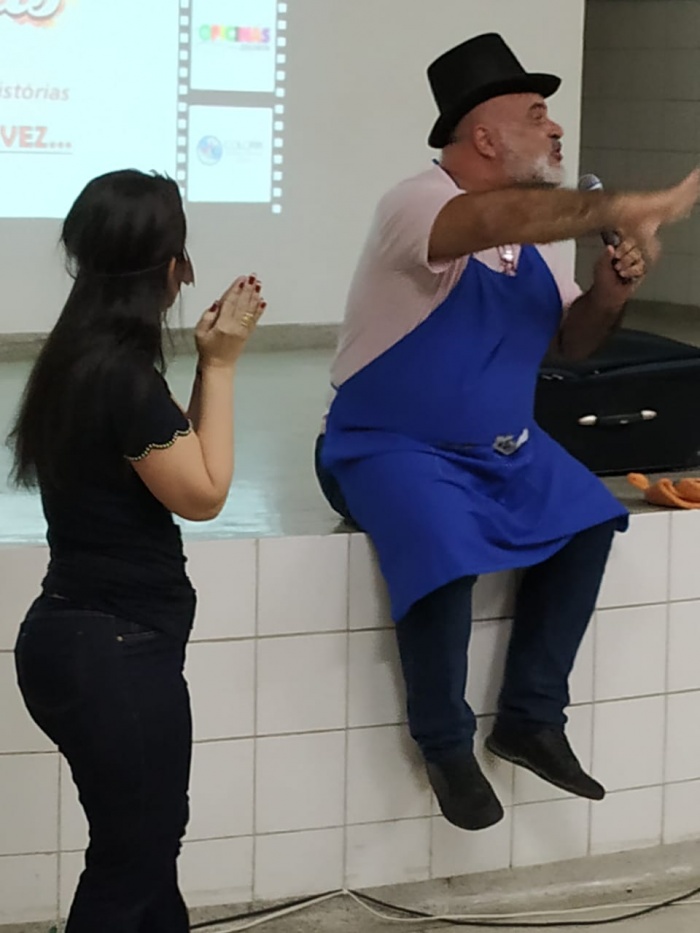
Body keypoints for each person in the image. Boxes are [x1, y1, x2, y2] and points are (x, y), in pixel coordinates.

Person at [315, 33, 700, 832]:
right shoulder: (418, 202)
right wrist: (616, 207)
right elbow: (486, 217)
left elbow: (570, 344)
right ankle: (444, 743)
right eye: (537, 115)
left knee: (589, 520)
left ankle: (531, 717)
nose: (555, 129)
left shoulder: (534, 244)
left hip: (501, 450)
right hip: (385, 444)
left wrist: (610, 290)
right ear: (485, 138)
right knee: (443, 543)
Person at [9, 169, 265, 931]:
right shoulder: (120, 376)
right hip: (111, 651)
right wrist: (224, 365)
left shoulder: (79, 360)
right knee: (134, 859)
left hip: (81, 641)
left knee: (145, 853)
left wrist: (207, 363)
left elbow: (178, 458)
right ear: (170, 266)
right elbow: (205, 492)